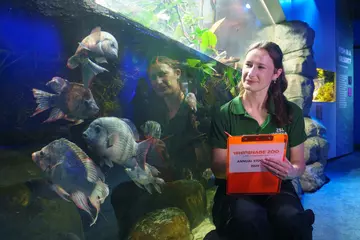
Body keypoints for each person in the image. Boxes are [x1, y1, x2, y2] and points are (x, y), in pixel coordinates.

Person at [208, 41, 315, 240]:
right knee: (249, 218)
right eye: (248, 65)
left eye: (261, 67)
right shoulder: (225, 113)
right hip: (235, 189)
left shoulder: (292, 112)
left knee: (290, 218)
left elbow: (298, 164)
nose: (251, 73)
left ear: (276, 74)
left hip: (277, 185)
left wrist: (291, 170)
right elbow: (217, 168)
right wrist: (241, 159)